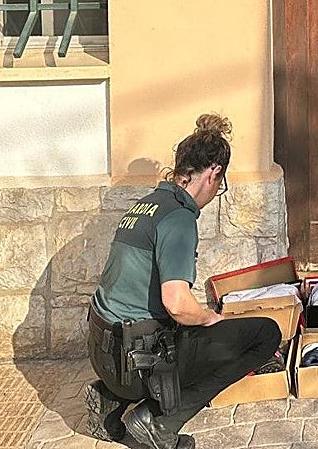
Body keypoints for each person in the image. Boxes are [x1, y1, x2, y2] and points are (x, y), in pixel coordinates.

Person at [85, 114, 280, 449]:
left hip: (104, 352)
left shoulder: (146, 206)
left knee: (192, 329)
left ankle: (110, 402)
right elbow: (176, 304)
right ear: (214, 173)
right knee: (264, 334)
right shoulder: (178, 218)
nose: (216, 191)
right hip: (137, 362)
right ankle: (157, 422)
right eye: (220, 185)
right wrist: (211, 318)